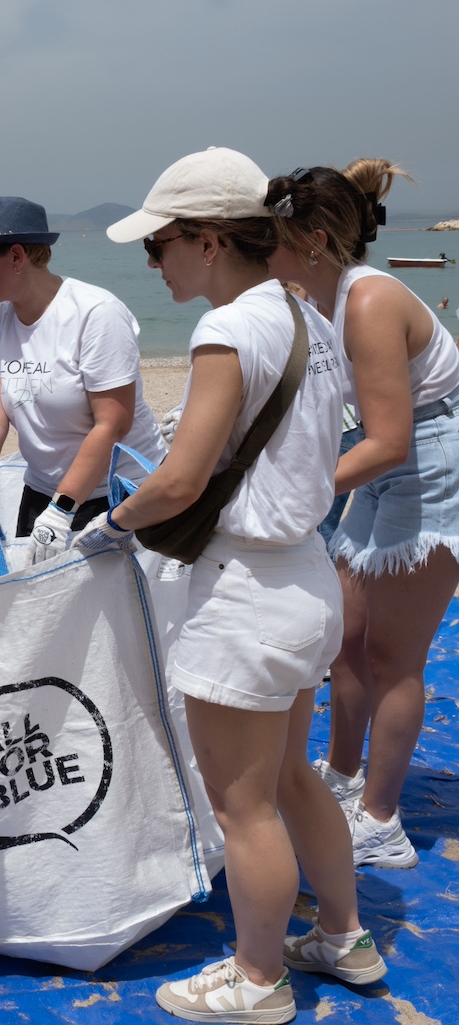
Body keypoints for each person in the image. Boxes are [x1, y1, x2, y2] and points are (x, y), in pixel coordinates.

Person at [74, 147, 385, 1023]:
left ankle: (257, 979)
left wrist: (109, 524)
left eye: (158, 244)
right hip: (306, 580)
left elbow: (179, 478)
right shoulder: (305, 310)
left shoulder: (227, 329)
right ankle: (344, 936)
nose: (153, 262)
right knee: (293, 777)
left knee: (243, 804)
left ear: (208, 240)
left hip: (245, 594)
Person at [267, 161, 459, 870]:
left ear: (312, 240)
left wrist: (297, 488)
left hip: (435, 459)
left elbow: (389, 440)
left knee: (393, 653)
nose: (264, 248)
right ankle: (344, 777)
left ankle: (381, 818)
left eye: (272, 236)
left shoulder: (370, 301)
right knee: (343, 635)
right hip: (384, 459)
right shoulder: (310, 295)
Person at [0, 196, 164, 565]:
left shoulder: (96, 314)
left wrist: (63, 509)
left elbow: (113, 423)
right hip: (43, 495)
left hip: (119, 495)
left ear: (17, 256)